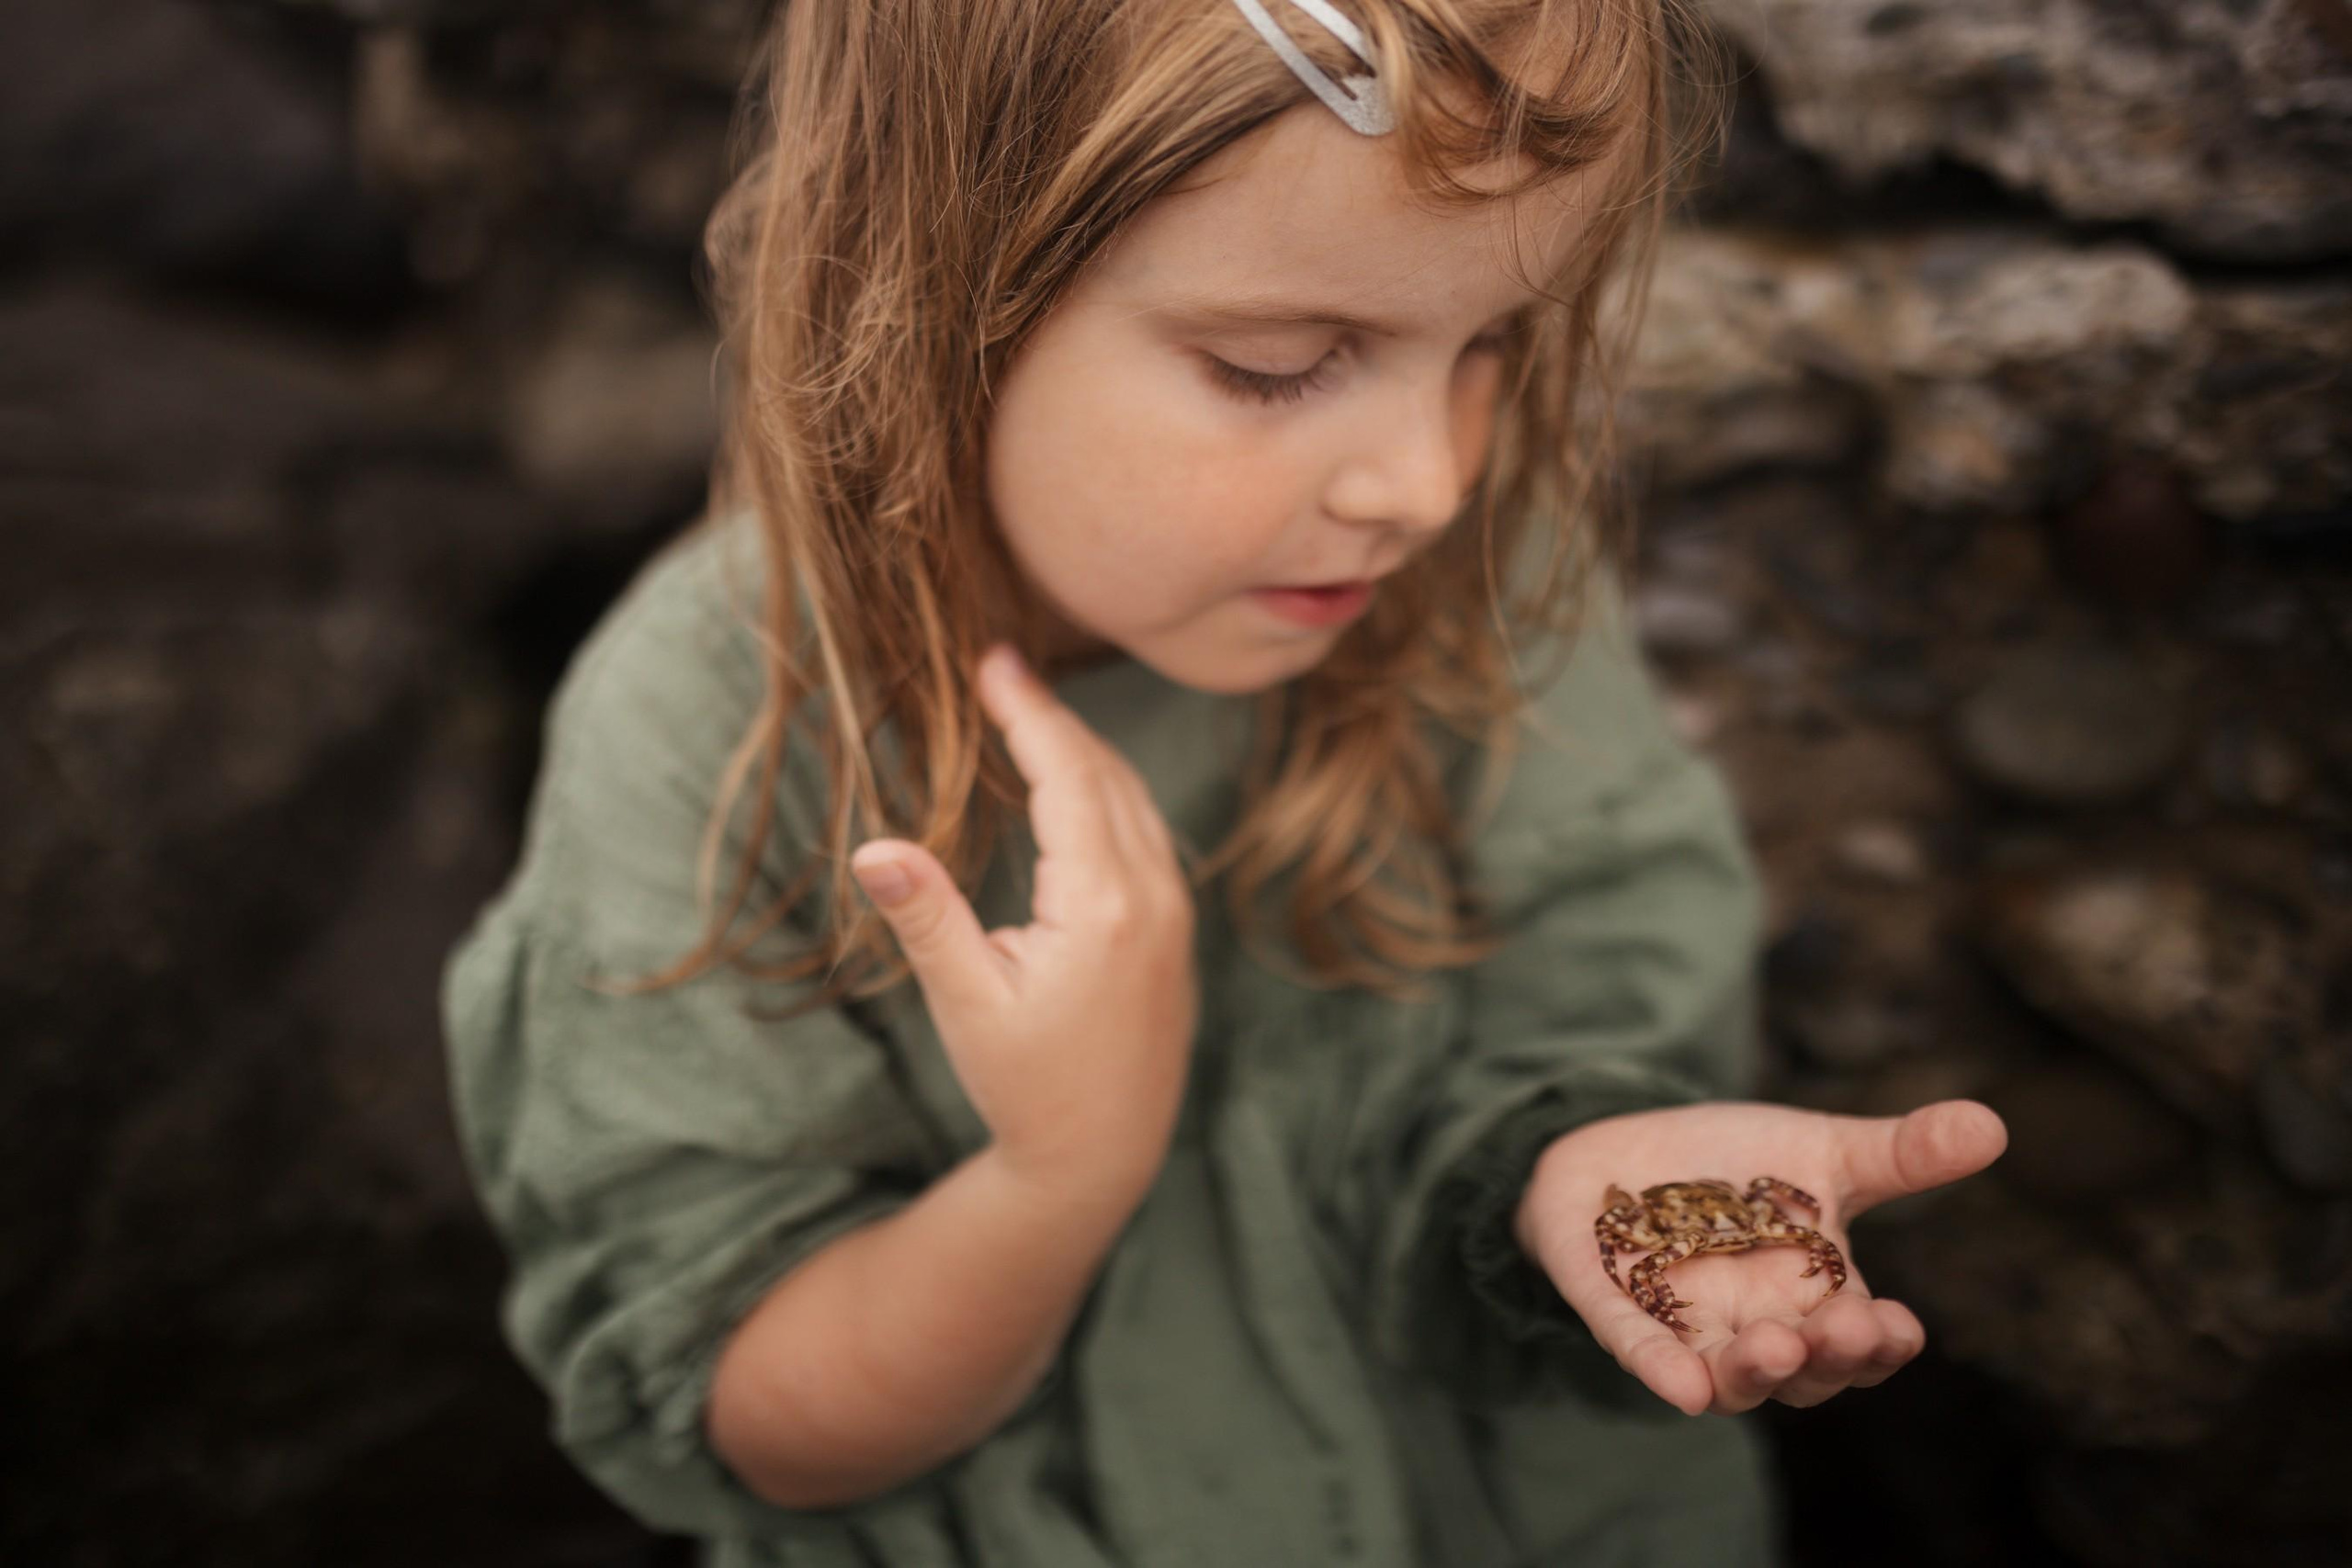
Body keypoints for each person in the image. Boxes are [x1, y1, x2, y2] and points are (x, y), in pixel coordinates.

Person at [439, 2, 2009, 1563]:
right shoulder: (706, 731)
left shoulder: (1480, 580)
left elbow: (1591, 1004)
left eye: (1493, 348)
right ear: (930, 292)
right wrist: (1059, 1179)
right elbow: (749, 1411)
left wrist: (1568, 1168)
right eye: (1279, 364)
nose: (1426, 481)